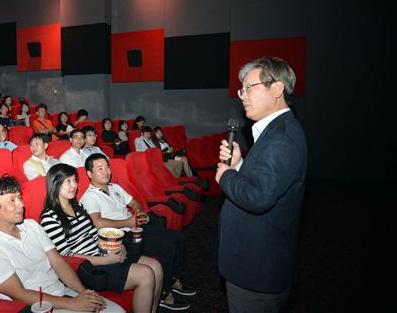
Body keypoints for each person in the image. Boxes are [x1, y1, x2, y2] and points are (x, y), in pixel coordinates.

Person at [214, 57, 307, 313]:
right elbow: (265, 183)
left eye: (249, 87)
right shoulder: (278, 131)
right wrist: (239, 164)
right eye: (241, 89)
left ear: (277, 89)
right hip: (257, 263)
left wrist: (226, 175)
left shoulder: (282, 137)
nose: (242, 95)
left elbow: (257, 197)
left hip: (256, 269)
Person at [0, 176, 123, 312]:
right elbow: (20, 294)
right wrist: (73, 304)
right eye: (12, 200)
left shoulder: (31, 226)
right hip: (35, 307)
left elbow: (57, 261)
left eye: (19, 197)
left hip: (61, 293)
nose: (21, 204)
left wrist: (82, 292)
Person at [41, 164, 163, 313]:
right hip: (86, 268)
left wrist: (115, 247)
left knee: (156, 267)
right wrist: (106, 260)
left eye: (74, 180)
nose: (74, 185)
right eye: (68, 181)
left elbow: (94, 233)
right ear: (55, 184)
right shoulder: (49, 218)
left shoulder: (77, 206)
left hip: (102, 254)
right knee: (146, 274)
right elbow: (65, 255)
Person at [80, 153, 195, 311]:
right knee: (167, 246)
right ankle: (165, 294)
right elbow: (97, 222)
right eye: (99, 169)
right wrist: (127, 222)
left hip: (134, 227)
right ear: (89, 174)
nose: (106, 171)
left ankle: (175, 278)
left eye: (107, 167)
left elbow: (134, 203)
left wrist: (139, 213)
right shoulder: (89, 197)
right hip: (120, 237)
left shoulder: (115, 187)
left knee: (178, 237)